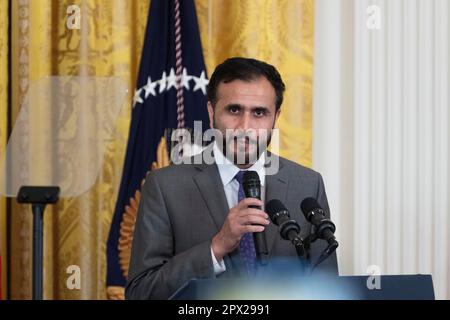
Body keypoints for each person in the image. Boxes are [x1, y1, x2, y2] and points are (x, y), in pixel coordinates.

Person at [125, 57, 338, 300]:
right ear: (211, 112)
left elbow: (329, 290)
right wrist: (216, 247)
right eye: (234, 110)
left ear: (275, 117)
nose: (245, 126)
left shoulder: (307, 184)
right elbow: (141, 293)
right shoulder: (165, 186)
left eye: (259, 113)